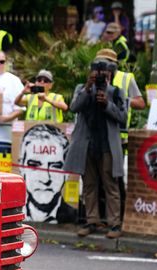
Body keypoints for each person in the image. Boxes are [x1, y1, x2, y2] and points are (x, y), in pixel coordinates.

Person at [63, 55, 127, 239]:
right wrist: (87, 87)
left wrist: (107, 104)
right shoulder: (82, 89)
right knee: (89, 184)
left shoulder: (116, 92)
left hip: (107, 144)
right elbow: (74, 107)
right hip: (87, 144)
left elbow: (122, 118)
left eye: (104, 75)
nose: (100, 78)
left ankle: (114, 224)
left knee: (110, 185)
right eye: (96, 74)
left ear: (110, 76)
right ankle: (91, 220)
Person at [19, 124, 77, 223]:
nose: (45, 179)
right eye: (34, 166)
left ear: (66, 172)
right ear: (21, 168)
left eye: (55, 166)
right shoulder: (13, 214)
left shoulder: (73, 216)